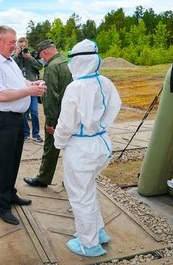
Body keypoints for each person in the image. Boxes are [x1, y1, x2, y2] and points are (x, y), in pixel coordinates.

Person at [54, 39, 121, 257]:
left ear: (77, 61)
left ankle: (88, 244)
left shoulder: (75, 87)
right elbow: (115, 107)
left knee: (80, 196)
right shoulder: (106, 82)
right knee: (88, 190)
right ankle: (97, 230)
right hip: (101, 144)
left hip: (81, 149)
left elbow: (65, 124)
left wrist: (58, 142)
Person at [0, 25, 46, 225]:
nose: (14, 46)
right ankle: (3, 207)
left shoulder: (8, 61)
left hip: (16, 119)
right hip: (3, 120)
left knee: (14, 161)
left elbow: (20, 81)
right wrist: (29, 93)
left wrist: (32, 85)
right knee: (4, 164)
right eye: (11, 42)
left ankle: (11, 194)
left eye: (15, 42)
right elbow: (0, 95)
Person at [23, 39, 72, 188]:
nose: (42, 60)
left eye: (41, 56)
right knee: (71, 148)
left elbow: (50, 98)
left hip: (57, 115)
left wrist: (50, 122)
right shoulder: (67, 63)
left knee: (51, 148)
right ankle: (71, 180)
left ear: (45, 52)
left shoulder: (52, 67)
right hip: (71, 114)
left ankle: (43, 178)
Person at [13, 37, 43, 142]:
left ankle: (36, 134)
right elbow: (10, 66)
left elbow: (40, 66)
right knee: (24, 113)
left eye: (24, 47)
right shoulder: (15, 57)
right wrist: (17, 55)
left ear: (27, 45)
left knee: (34, 112)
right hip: (21, 88)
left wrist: (29, 57)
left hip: (33, 87)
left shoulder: (33, 55)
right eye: (20, 47)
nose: (22, 50)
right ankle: (25, 133)